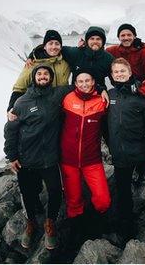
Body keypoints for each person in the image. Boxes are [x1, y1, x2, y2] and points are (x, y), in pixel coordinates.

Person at [3, 64, 72, 250]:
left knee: (56, 191)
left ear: (51, 77)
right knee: (28, 194)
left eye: (46, 74)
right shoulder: (22, 102)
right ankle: (31, 222)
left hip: (49, 158)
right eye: (39, 74)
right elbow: (10, 130)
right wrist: (12, 156)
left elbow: (82, 85)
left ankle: (50, 223)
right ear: (34, 78)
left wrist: (100, 88)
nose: (43, 76)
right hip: (27, 159)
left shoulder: (58, 94)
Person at [105, 57, 145, 239]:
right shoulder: (110, 95)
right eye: (116, 72)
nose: (119, 74)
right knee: (123, 194)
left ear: (130, 72)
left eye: (122, 71)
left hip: (143, 155)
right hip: (121, 156)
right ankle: (126, 224)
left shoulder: (142, 94)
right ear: (112, 75)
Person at [60, 72, 111, 242]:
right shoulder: (66, 98)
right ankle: (77, 231)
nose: (84, 84)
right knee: (73, 201)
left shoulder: (102, 101)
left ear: (94, 82)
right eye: (80, 81)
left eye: (87, 80)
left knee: (103, 200)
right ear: (75, 83)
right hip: (68, 160)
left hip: (92, 160)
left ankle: (95, 226)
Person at [7, 29, 70, 111]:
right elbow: (19, 88)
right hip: (39, 111)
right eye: (50, 43)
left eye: (57, 44)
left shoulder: (65, 63)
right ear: (44, 46)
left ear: (61, 47)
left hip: (60, 110)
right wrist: (12, 108)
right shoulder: (32, 64)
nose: (54, 47)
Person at [106, 23, 145, 106]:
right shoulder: (112, 51)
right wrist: (84, 48)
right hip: (123, 96)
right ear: (118, 38)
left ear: (134, 36)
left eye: (129, 35)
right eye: (123, 35)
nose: (126, 38)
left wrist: (141, 91)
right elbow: (99, 55)